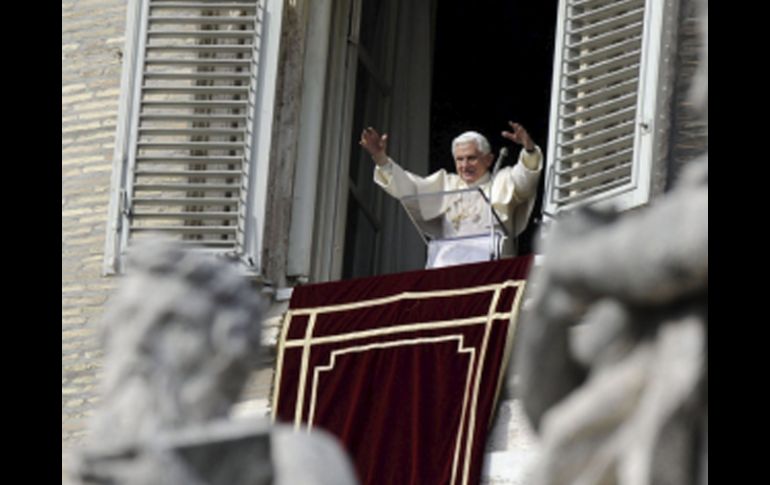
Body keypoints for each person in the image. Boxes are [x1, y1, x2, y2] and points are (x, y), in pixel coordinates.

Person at [359, 121, 543, 267]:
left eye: (471, 158)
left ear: (489, 159)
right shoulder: (447, 184)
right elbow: (408, 188)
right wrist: (380, 158)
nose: (465, 165)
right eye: (459, 159)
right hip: (448, 269)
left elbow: (525, 179)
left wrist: (529, 149)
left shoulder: (502, 180)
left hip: (493, 272)